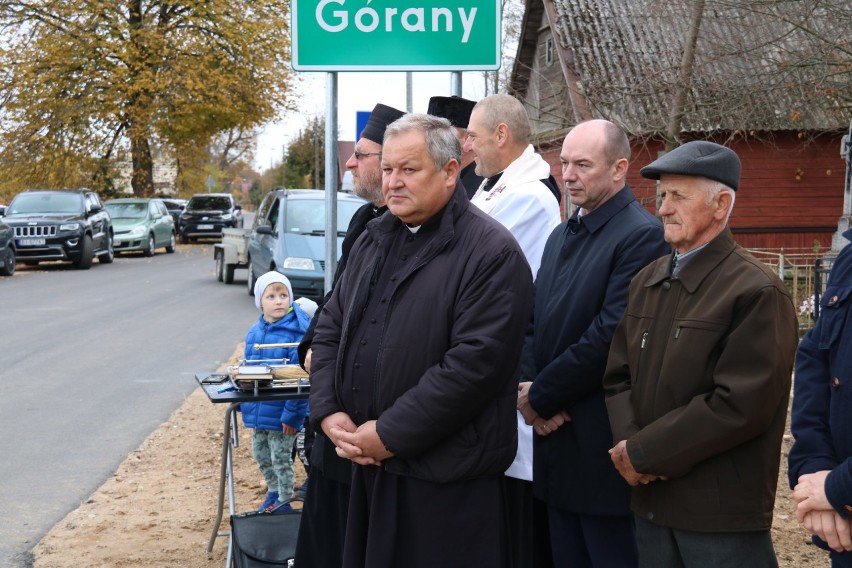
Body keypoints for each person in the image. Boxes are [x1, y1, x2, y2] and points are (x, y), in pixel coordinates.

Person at [309, 113, 535, 568]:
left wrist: (389, 434)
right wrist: (328, 410)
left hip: (446, 485)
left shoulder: (491, 253)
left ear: (451, 172)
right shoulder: (375, 238)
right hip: (370, 470)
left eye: (409, 170)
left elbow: (472, 368)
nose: (392, 182)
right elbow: (331, 326)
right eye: (389, 169)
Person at [603, 141, 799, 567]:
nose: (663, 209)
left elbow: (741, 405)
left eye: (678, 197)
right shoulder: (647, 280)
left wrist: (644, 453)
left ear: (721, 204)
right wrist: (628, 445)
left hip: (718, 516)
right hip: (651, 503)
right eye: (662, 196)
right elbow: (618, 375)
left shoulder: (756, 291)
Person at [517, 119, 669, 568]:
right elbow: (532, 318)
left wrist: (541, 396)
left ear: (619, 168)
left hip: (599, 443)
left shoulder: (641, 236)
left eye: (582, 165)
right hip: (553, 441)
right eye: (564, 163)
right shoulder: (561, 234)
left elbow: (610, 335)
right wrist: (527, 388)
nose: (567, 175)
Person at [294, 103, 405, 568]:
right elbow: (337, 304)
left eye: (362, 154)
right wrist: (311, 346)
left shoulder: (409, 230)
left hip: (372, 424)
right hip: (335, 414)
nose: (350, 163)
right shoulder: (363, 222)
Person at [789, 229, 852, 566]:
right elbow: (816, 358)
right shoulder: (849, 259)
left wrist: (837, 489)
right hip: (843, 531)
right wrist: (816, 471)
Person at [239, 271, 311, 512]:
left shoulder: (297, 334)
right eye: (271, 296)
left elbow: (300, 379)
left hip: (283, 413)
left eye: (283, 295)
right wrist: (243, 402)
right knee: (261, 454)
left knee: (281, 458)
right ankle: (272, 492)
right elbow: (247, 369)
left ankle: (284, 500)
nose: (278, 300)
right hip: (260, 410)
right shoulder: (254, 333)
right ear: (260, 301)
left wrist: (293, 415)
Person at [464, 93, 562, 205]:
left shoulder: (529, 197)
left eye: (473, 136)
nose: (466, 147)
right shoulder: (499, 182)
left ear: (501, 135)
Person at [426, 94, 484, 197]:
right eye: (428, 136)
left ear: (468, 138)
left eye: (440, 136)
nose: (431, 142)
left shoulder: (481, 186)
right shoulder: (431, 178)